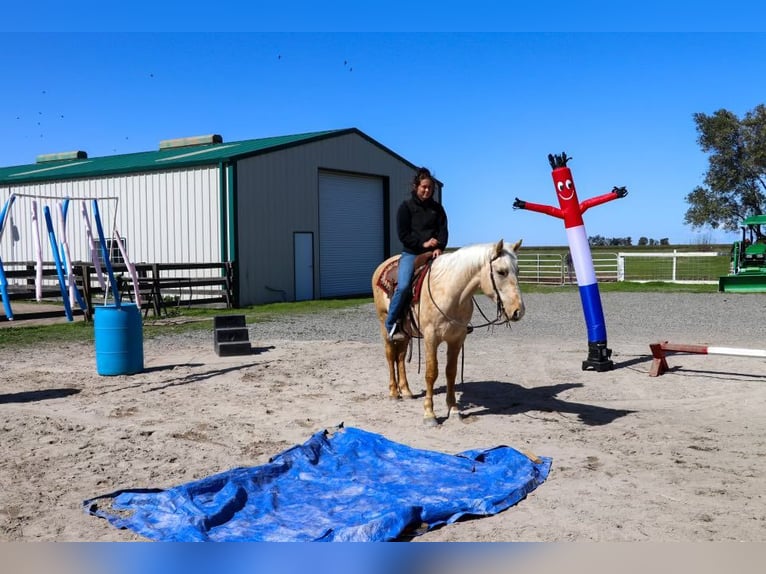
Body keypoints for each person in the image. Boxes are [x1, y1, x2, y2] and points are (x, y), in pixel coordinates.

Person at [385, 167, 449, 341]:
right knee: (404, 286)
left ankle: (455, 321)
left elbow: (443, 231)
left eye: (430, 188)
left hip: (434, 254)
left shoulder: (438, 209)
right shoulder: (405, 208)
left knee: (453, 280)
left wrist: (439, 247)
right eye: (424, 187)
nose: (427, 190)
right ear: (416, 186)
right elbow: (403, 235)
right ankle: (392, 324)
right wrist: (423, 243)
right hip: (412, 254)